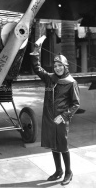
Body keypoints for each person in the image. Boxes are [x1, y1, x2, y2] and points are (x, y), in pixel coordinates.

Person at [30, 37, 80, 185]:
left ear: (65, 66)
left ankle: (68, 172)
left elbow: (76, 104)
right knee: (53, 144)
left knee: (63, 146)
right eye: (55, 65)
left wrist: (64, 116)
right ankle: (58, 171)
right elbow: (37, 68)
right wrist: (36, 51)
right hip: (49, 117)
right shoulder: (50, 78)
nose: (57, 68)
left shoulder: (71, 82)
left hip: (61, 119)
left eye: (60, 66)